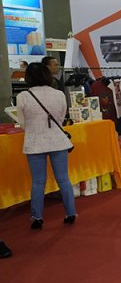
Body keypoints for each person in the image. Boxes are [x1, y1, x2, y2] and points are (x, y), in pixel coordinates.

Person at [16, 62, 77, 229]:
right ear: (47, 75)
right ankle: (71, 213)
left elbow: (22, 123)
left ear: (28, 77)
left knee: (38, 182)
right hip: (58, 141)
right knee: (63, 179)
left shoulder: (23, 96)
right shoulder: (59, 94)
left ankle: (37, 217)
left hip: (34, 142)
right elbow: (61, 118)